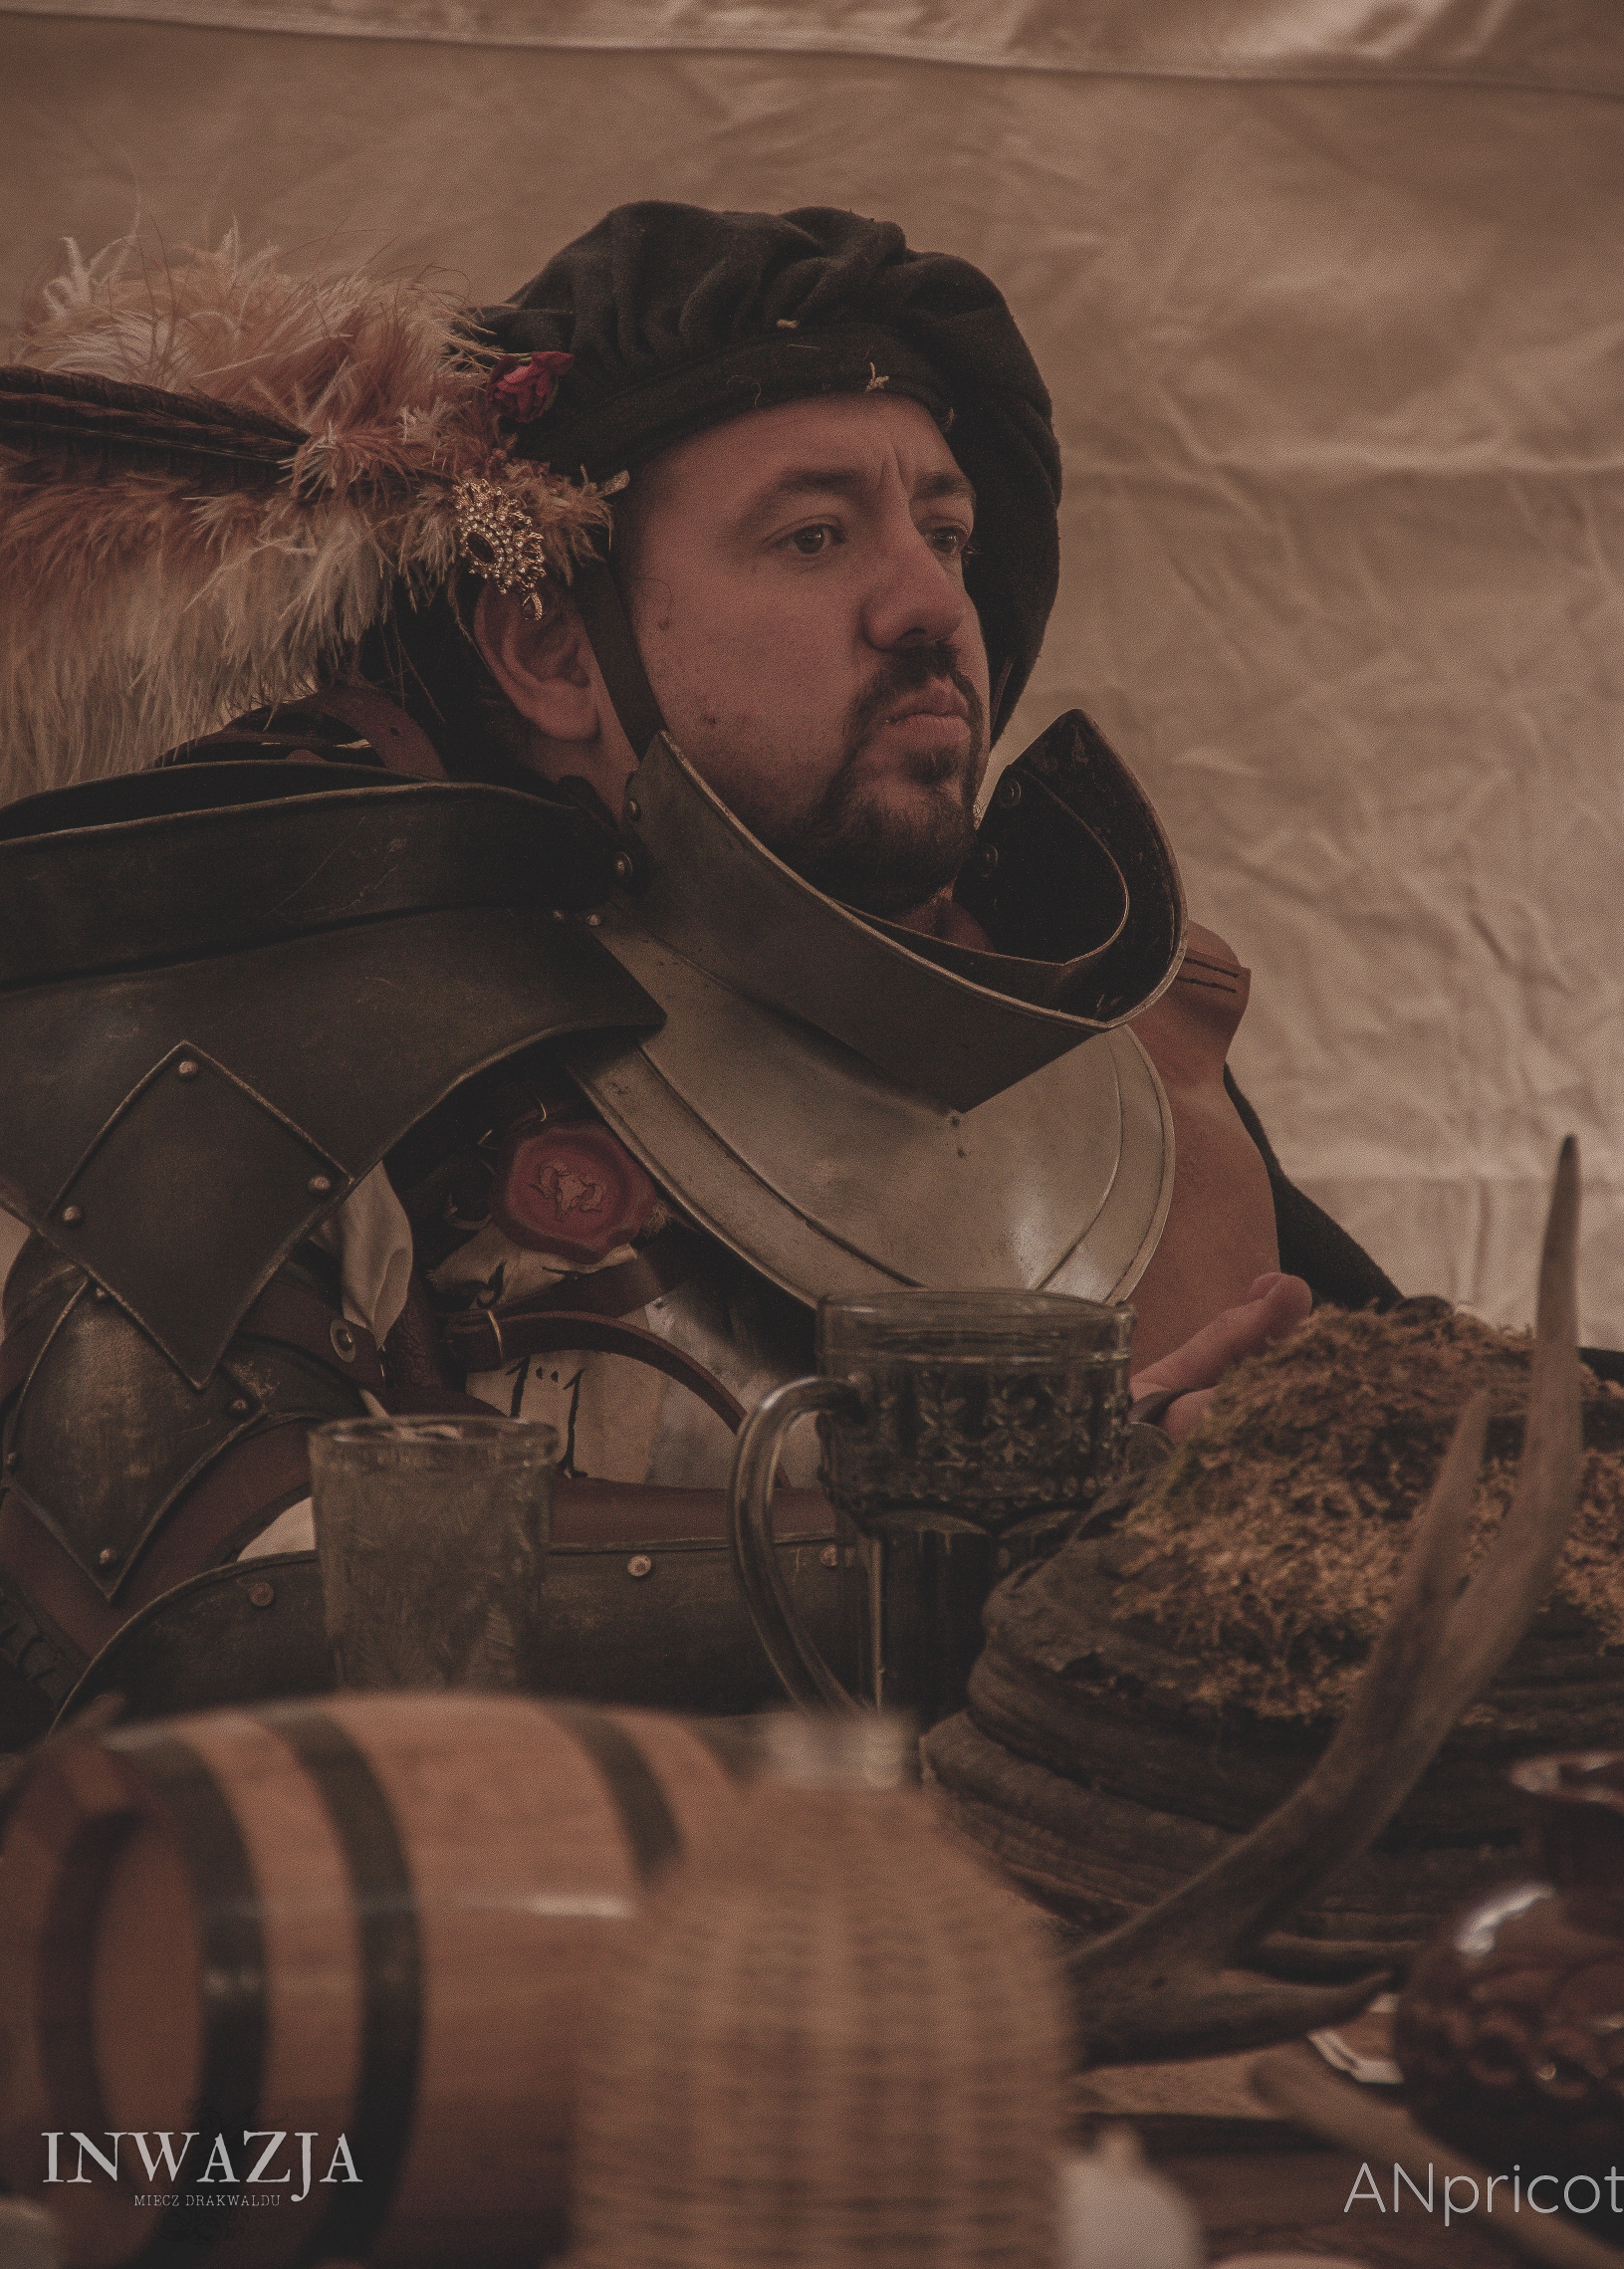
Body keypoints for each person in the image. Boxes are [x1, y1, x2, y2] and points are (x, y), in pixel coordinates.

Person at [0, 205, 1404, 1741]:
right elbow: (202, 1602)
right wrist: (1019, 1552)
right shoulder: (303, 1043)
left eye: (945, 533)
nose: (931, 602)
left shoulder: (1124, 1061)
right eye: (814, 536)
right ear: (552, 653)